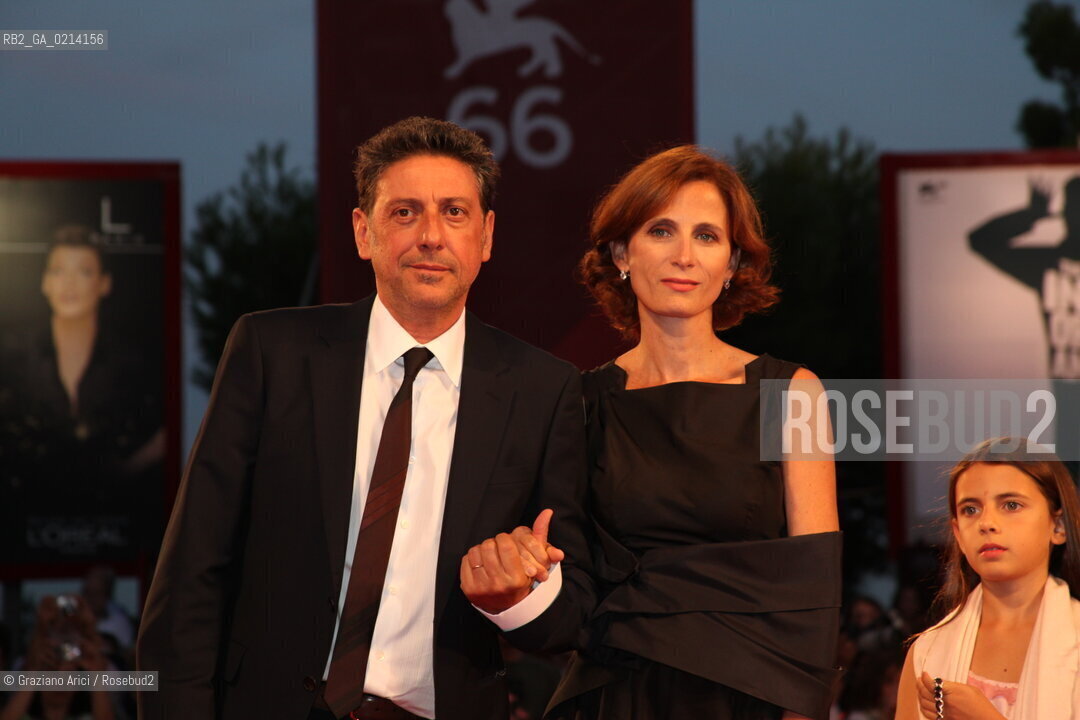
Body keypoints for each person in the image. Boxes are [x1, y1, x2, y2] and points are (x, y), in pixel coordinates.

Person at [135, 117, 591, 720]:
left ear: (486, 237)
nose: (431, 236)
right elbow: (193, 574)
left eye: (454, 213)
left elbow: (572, 611)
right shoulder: (272, 352)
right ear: (362, 231)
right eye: (405, 212)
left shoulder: (544, 389)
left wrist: (514, 597)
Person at [463, 146, 842, 719]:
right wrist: (515, 589)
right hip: (614, 693)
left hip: (748, 696)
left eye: (708, 237)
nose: (685, 256)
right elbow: (572, 589)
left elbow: (813, 593)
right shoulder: (580, 401)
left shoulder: (790, 392)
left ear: (733, 263)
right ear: (621, 252)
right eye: (662, 230)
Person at [895, 437, 1080, 719]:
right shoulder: (928, 652)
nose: (987, 523)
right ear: (957, 533)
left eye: (1011, 505)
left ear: (1058, 526)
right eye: (970, 509)